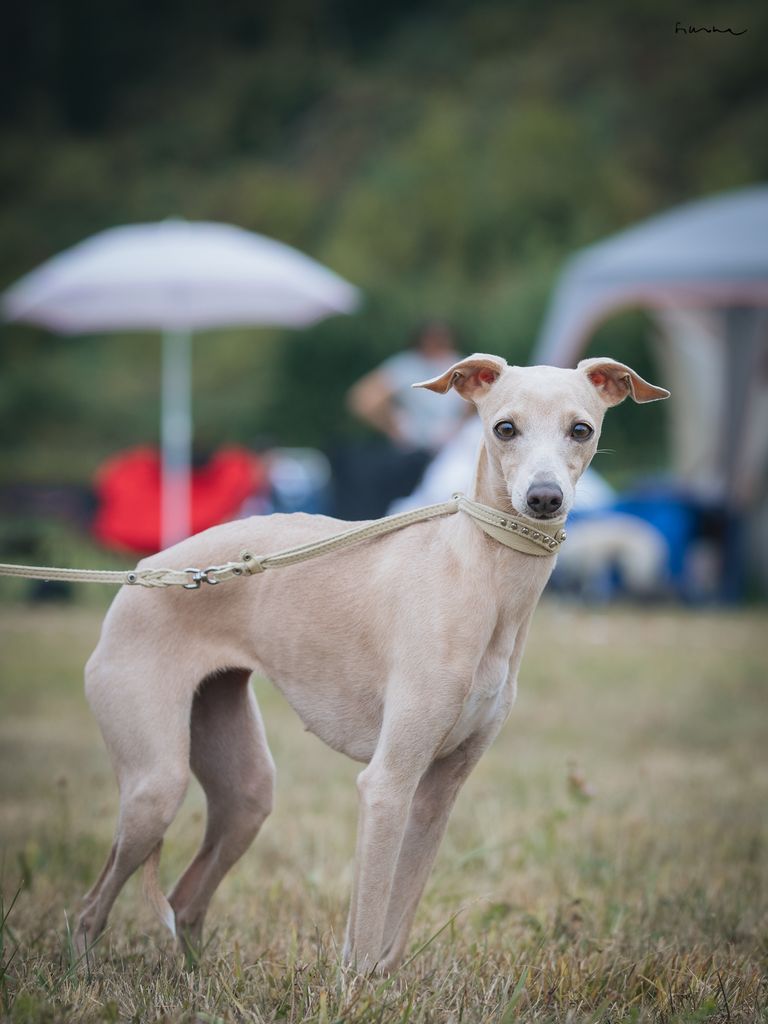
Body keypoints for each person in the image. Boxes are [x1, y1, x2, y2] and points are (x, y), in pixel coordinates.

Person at [340, 321, 468, 517]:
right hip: (415, 454)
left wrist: (459, 426)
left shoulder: (458, 365)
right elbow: (363, 399)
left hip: (450, 451)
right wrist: (394, 426)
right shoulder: (408, 366)